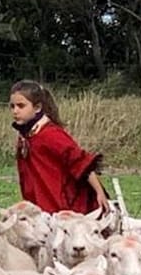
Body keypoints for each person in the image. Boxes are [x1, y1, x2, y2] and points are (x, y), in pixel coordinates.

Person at [9, 80, 110, 214]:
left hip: (64, 207)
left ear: (37, 107)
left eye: (21, 106)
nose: (15, 111)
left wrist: (99, 192)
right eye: (12, 106)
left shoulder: (51, 134)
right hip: (42, 208)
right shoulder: (26, 137)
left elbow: (79, 162)